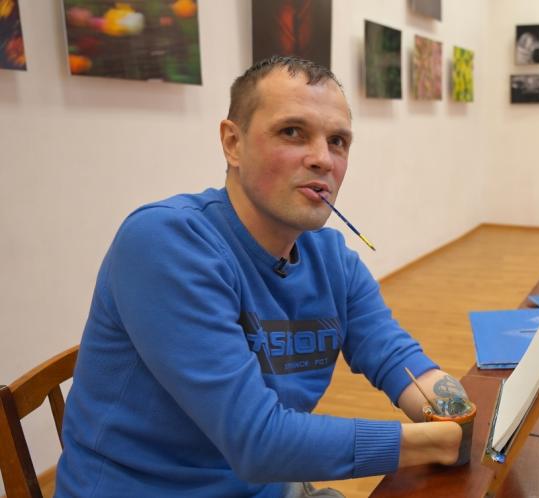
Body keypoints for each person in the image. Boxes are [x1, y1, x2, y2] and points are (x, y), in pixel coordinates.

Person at [55, 56, 466, 497]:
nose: (323, 159)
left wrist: (457, 411)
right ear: (233, 143)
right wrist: (434, 442)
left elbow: (396, 359)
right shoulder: (165, 242)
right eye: (292, 132)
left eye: (338, 141)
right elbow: (257, 442)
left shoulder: (333, 259)